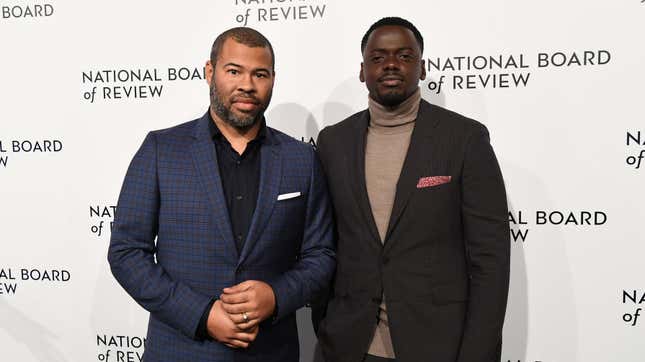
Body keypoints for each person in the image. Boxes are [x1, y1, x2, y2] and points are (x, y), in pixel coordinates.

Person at [108, 27, 335, 362]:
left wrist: (276, 296)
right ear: (209, 72)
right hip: (180, 351)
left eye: (260, 74)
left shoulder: (301, 160)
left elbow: (321, 255)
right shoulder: (161, 150)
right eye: (234, 71)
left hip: (270, 353)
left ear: (273, 79)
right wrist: (202, 315)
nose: (247, 85)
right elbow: (127, 253)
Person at [314, 17, 510, 362]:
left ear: (422, 68)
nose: (391, 64)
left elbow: (490, 260)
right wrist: (327, 327)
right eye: (378, 58)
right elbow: (323, 242)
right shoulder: (333, 141)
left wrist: (478, 352)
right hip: (348, 345)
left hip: (437, 347)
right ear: (363, 71)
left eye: (404, 56)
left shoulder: (464, 139)